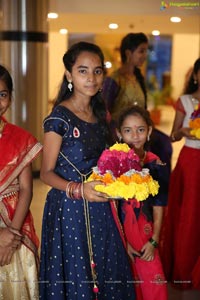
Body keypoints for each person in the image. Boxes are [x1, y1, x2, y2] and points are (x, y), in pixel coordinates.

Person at [39, 41, 136, 300]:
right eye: (83, 71)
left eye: (97, 71)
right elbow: (45, 172)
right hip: (70, 208)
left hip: (101, 207)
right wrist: (79, 189)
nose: (91, 78)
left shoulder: (100, 115)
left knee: (106, 269)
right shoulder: (59, 118)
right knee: (77, 275)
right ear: (69, 75)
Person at [116, 105, 168, 300]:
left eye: (140, 130)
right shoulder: (114, 164)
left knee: (154, 284)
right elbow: (113, 207)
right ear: (119, 133)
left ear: (149, 131)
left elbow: (159, 205)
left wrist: (154, 240)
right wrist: (123, 241)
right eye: (128, 131)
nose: (135, 136)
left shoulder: (156, 164)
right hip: (122, 236)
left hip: (146, 237)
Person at [102, 32, 172, 176]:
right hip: (122, 131)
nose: (145, 55)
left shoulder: (138, 78)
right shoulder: (114, 79)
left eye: (146, 50)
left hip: (140, 129)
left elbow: (143, 109)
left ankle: (158, 193)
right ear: (128, 53)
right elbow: (104, 111)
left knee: (164, 144)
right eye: (141, 51)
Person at [0, 65, 42, 299]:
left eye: (2, 94)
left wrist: (10, 235)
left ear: (10, 97)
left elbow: (26, 189)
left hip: (16, 227)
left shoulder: (21, 139)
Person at [160, 58, 200, 290]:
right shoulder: (184, 101)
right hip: (190, 162)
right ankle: (185, 268)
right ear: (195, 75)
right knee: (189, 214)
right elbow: (173, 135)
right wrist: (183, 131)